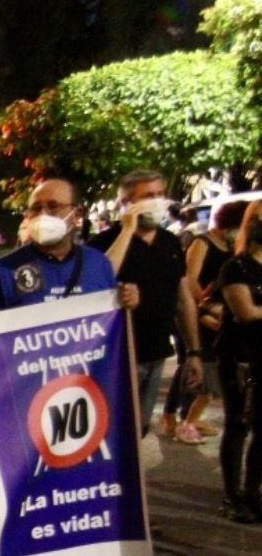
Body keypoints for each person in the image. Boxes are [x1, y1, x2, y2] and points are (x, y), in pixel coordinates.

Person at [0, 177, 131, 556]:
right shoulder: (5, 270)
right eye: (34, 207)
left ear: (76, 215)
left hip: (77, 404)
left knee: (65, 491)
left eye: (53, 206)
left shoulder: (98, 266)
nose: (42, 215)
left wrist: (126, 303)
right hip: (20, 404)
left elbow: (108, 325)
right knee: (24, 493)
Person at [91, 169, 203, 439]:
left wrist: (194, 352)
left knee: (138, 431)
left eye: (159, 194)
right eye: (147, 196)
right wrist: (128, 229)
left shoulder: (169, 242)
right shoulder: (105, 242)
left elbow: (182, 298)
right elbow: (99, 278)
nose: (156, 201)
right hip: (118, 358)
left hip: (155, 354)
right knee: (110, 435)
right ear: (127, 203)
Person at [170, 200, 244, 441]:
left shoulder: (233, 245)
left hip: (219, 312)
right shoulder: (202, 242)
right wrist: (203, 305)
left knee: (209, 369)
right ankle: (176, 415)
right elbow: (190, 280)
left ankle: (189, 417)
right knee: (196, 364)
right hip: (198, 311)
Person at [216, 201, 262, 522]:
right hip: (241, 359)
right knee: (237, 425)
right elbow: (245, 313)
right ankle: (233, 497)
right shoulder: (236, 268)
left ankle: (252, 492)